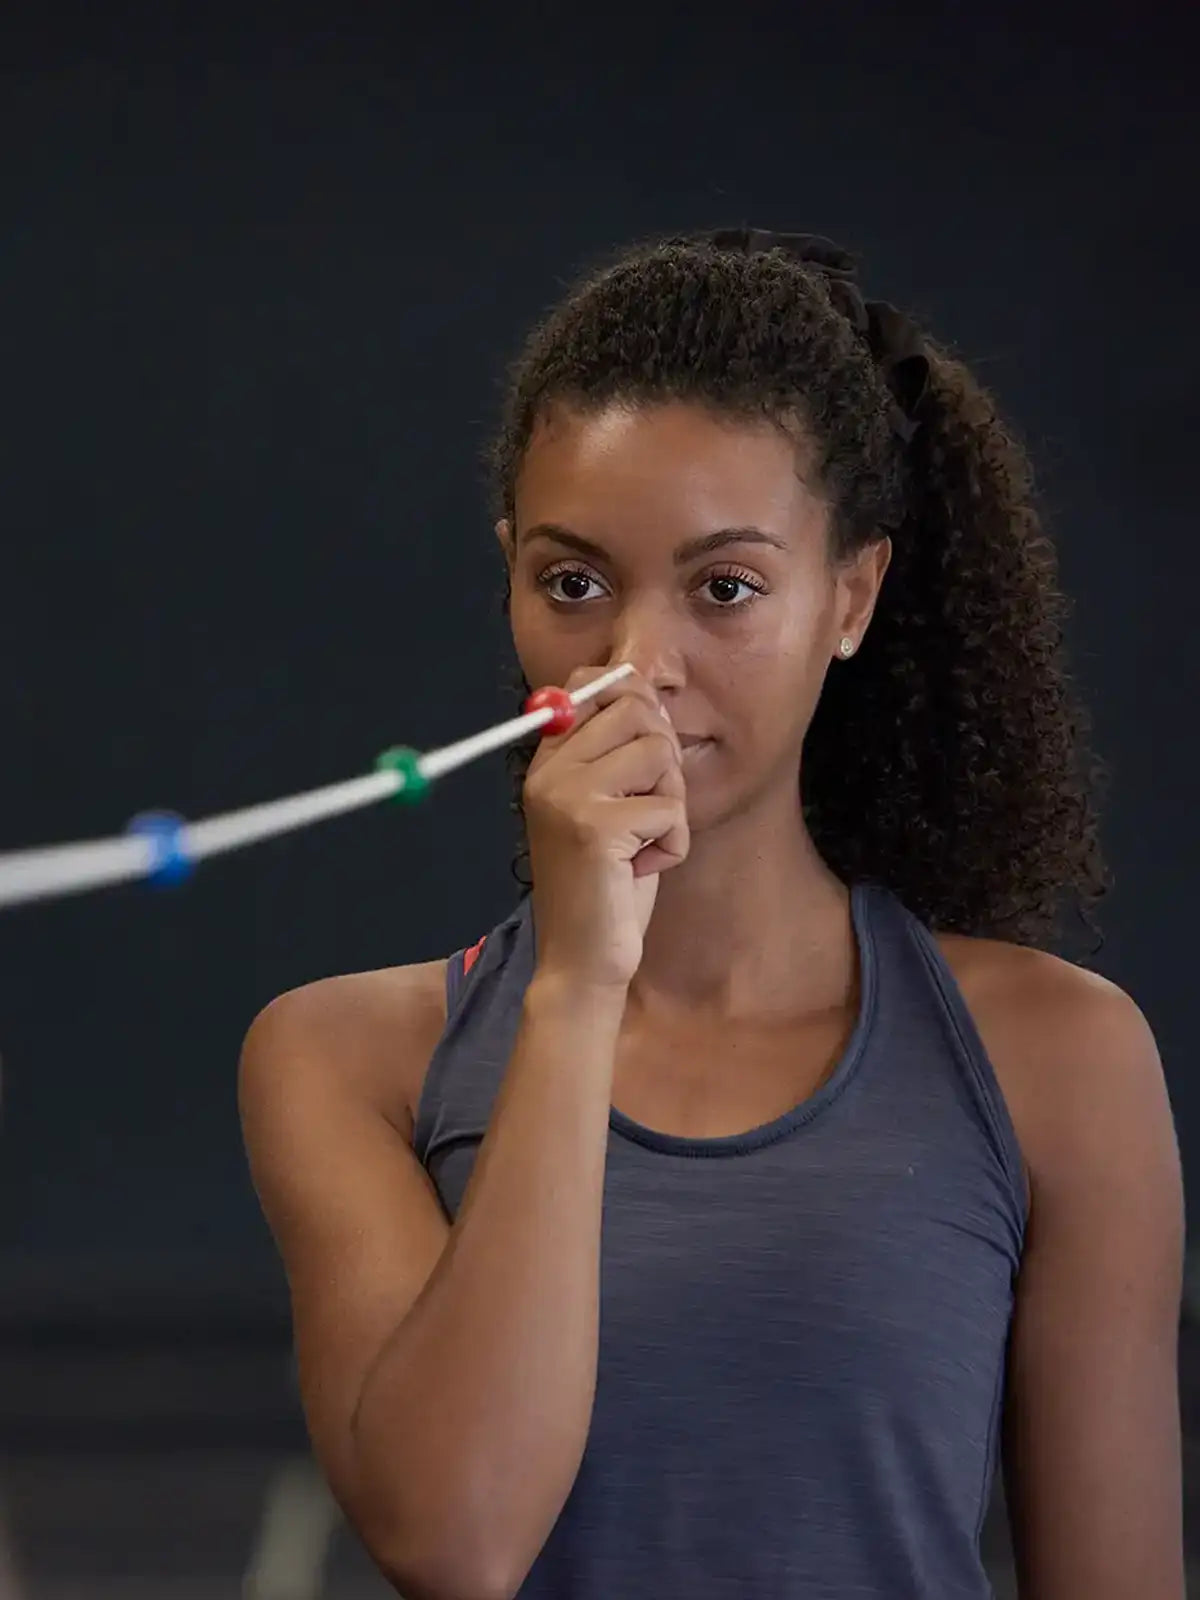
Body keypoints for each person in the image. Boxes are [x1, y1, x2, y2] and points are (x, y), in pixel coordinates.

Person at [237, 229, 1185, 1599]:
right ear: (508, 574)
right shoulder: (343, 1061)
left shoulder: (1061, 1059)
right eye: (573, 584)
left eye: (725, 589)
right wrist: (576, 985)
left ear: (850, 597)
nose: (633, 668)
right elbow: (456, 1537)